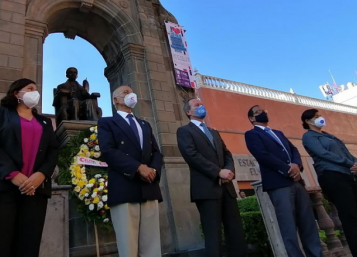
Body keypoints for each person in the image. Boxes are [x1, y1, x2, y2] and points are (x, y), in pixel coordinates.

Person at [0, 78, 60, 257]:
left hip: (34, 192)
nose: (34, 92)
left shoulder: (44, 122)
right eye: (30, 88)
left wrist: (42, 174)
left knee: (27, 246)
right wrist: (11, 173)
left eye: (36, 89)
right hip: (0, 189)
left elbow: (53, 151)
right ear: (16, 93)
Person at [246, 105, 322, 257]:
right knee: (288, 227)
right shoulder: (251, 134)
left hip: (297, 182)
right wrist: (287, 169)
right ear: (252, 118)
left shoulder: (278, 133)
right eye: (258, 112)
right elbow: (262, 155)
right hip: (279, 184)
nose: (263, 113)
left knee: (308, 224)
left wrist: (296, 165)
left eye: (264, 110)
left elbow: (293, 150)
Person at [301, 109, 357, 257]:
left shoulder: (329, 136)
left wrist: (356, 162)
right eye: (316, 117)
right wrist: (348, 163)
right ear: (308, 121)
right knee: (350, 218)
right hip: (333, 177)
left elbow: (346, 152)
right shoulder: (309, 136)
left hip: (350, 177)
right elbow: (323, 154)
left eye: (320, 116)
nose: (320, 118)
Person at [177, 98, 247, 257]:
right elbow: (191, 155)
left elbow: (227, 154)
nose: (201, 107)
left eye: (202, 104)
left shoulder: (214, 132)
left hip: (227, 188)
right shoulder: (184, 131)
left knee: (236, 233)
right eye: (197, 105)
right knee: (213, 235)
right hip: (206, 190)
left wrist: (228, 171)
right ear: (189, 112)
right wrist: (217, 172)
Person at [98, 86, 163, 257]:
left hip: (149, 186)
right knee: (129, 245)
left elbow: (156, 151)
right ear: (116, 100)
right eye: (125, 92)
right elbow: (108, 151)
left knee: (152, 245)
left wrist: (153, 170)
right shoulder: (107, 123)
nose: (131, 94)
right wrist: (137, 168)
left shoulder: (145, 124)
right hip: (125, 186)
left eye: (132, 91)